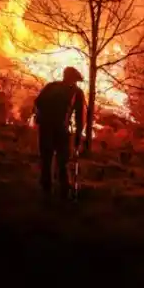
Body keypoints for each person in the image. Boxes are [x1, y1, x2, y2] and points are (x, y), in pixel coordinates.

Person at [34, 66, 86, 199]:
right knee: (62, 160)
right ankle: (63, 190)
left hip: (46, 126)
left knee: (47, 157)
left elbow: (38, 102)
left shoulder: (51, 86)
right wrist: (78, 136)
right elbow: (80, 116)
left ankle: (47, 188)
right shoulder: (77, 92)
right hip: (60, 128)